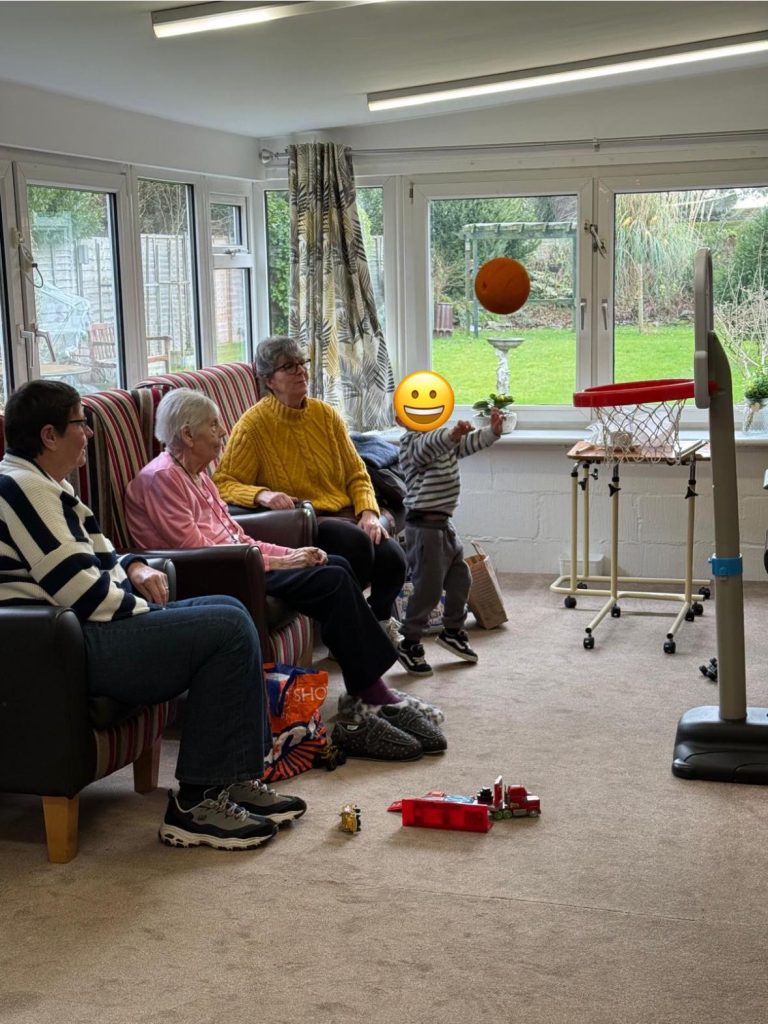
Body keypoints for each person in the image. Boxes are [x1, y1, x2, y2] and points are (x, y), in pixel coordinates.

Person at [0, 379, 308, 852]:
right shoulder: (20, 488)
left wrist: (134, 564)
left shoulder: (48, 485)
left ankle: (229, 779)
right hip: (65, 644)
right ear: (49, 435)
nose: (90, 434)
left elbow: (100, 559)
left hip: (86, 629)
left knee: (228, 610)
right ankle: (194, 806)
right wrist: (147, 609)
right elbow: (81, 592)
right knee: (225, 626)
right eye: (82, 423)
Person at [124, 388, 446, 758]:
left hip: (239, 563)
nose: (222, 433)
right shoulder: (162, 479)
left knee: (333, 564)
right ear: (186, 434)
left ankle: (366, 688)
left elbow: (237, 535)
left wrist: (293, 553)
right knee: (334, 577)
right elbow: (198, 550)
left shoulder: (196, 475)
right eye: (213, 427)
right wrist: (282, 562)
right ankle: (370, 692)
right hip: (215, 575)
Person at [213, 336, 407, 646]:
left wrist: (369, 512)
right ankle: (344, 635)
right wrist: (261, 494)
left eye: (302, 363)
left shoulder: (325, 415)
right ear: (268, 380)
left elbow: (357, 472)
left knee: (394, 558)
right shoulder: (253, 426)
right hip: (304, 519)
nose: (301, 372)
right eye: (288, 367)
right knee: (356, 543)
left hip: (345, 511)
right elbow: (223, 482)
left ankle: (378, 620)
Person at [396, 408, 504, 676]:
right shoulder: (411, 445)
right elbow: (428, 446)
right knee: (428, 590)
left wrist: (492, 432)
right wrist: (450, 434)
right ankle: (409, 642)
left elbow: (466, 444)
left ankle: (453, 631)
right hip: (423, 529)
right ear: (400, 420)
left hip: (444, 525)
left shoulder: (443, 442)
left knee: (461, 578)